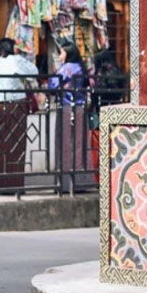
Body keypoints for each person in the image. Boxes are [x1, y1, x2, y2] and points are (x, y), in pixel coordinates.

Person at [0, 37, 39, 193]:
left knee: (1, 145)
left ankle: (3, 185)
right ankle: (16, 184)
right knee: (17, 146)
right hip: (16, 105)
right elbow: (34, 73)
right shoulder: (16, 60)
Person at [48, 41, 88, 191]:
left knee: (64, 144)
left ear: (68, 53)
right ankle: (81, 180)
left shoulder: (65, 69)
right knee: (79, 144)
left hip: (66, 108)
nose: (59, 56)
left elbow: (53, 86)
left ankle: (64, 182)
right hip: (79, 107)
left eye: (62, 52)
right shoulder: (80, 68)